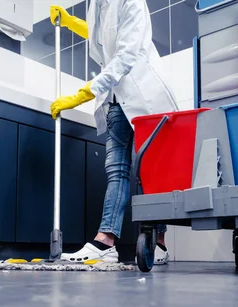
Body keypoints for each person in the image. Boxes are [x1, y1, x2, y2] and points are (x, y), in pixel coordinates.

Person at [49, 0, 178, 264]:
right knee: (116, 169)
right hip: (116, 98)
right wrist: (73, 24)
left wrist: (84, 92)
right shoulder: (96, 4)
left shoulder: (132, 2)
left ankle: (161, 242)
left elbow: (125, 55)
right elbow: (104, 37)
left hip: (145, 95)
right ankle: (105, 241)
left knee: (151, 172)